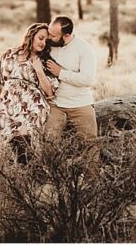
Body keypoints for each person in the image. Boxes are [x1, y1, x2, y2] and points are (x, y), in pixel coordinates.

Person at [0, 22, 58, 162]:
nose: (43, 43)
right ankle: (4, 165)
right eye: (40, 38)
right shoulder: (10, 54)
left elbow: (49, 92)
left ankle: (28, 165)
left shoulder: (43, 60)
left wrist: (39, 70)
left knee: (26, 134)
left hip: (33, 104)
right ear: (31, 35)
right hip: (8, 103)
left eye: (46, 41)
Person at [44, 15, 100, 172]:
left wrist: (61, 73)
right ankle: (52, 181)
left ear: (66, 35)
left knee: (90, 145)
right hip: (55, 104)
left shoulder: (84, 49)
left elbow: (87, 79)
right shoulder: (49, 46)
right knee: (49, 143)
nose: (49, 37)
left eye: (53, 35)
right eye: (49, 33)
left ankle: (92, 184)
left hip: (80, 104)